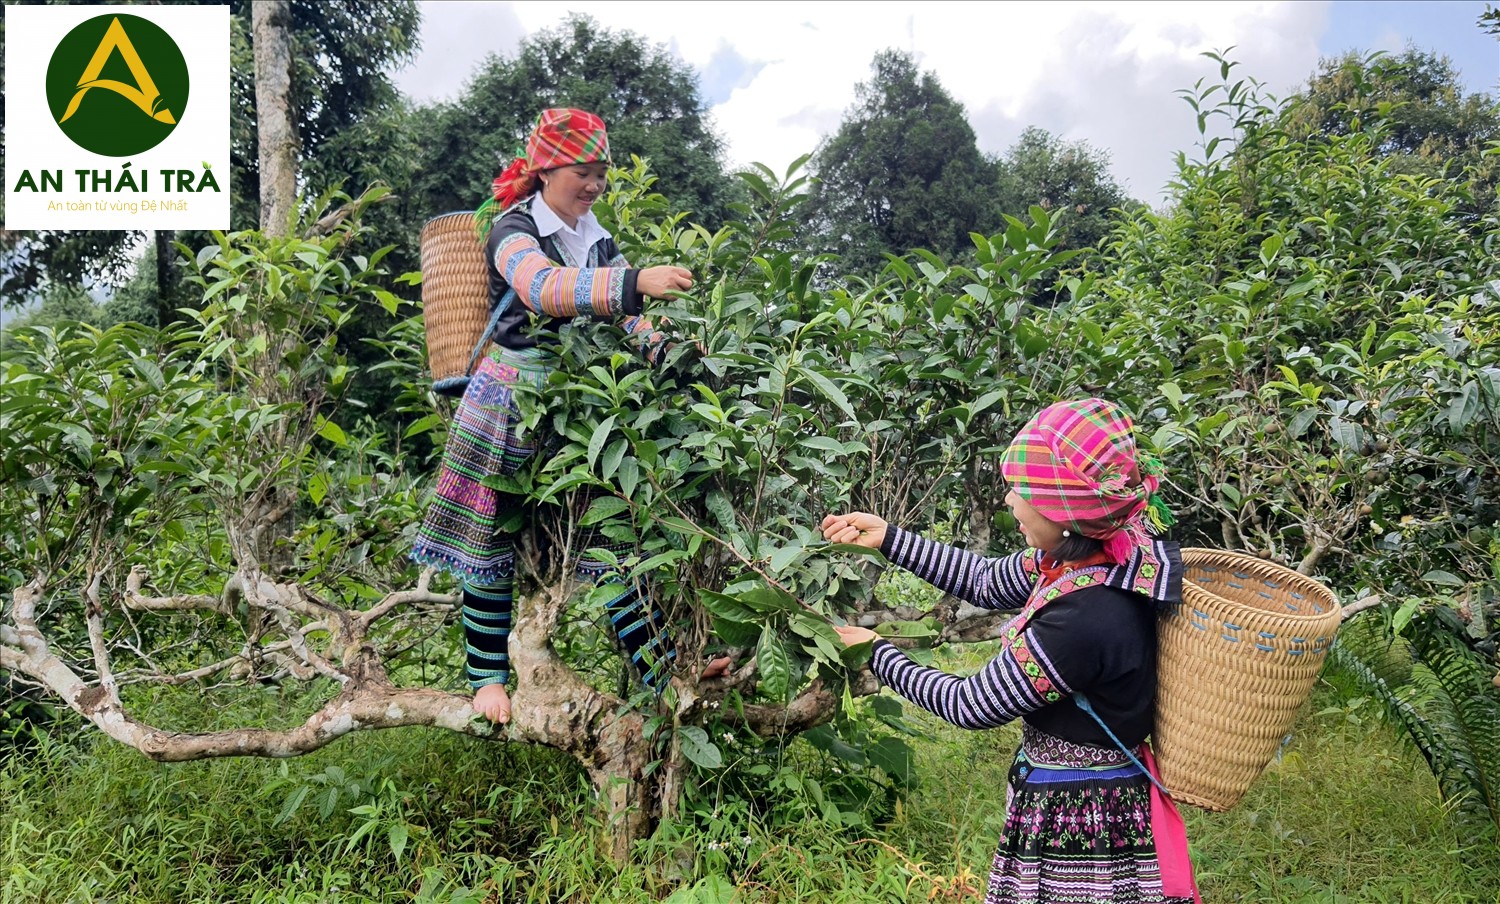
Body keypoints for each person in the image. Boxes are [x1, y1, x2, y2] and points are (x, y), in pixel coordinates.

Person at [411, 107, 727, 725]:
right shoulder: (513, 230)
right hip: (506, 403)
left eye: (601, 174)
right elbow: (542, 290)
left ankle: (665, 671)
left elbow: (625, 318)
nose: (593, 185)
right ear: (547, 169)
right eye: (583, 172)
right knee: (488, 541)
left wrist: (672, 349)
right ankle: (485, 680)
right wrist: (636, 281)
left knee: (614, 540)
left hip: (575, 405)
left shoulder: (595, 235)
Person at [821, 398, 1201, 904]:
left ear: (1063, 506)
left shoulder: (1086, 618)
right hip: (1085, 794)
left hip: (1080, 817)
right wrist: (889, 538)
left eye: (1022, 490)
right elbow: (981, 579)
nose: (1008, 501)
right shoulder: (1107, 552)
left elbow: (972, 705)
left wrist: (877, 653)